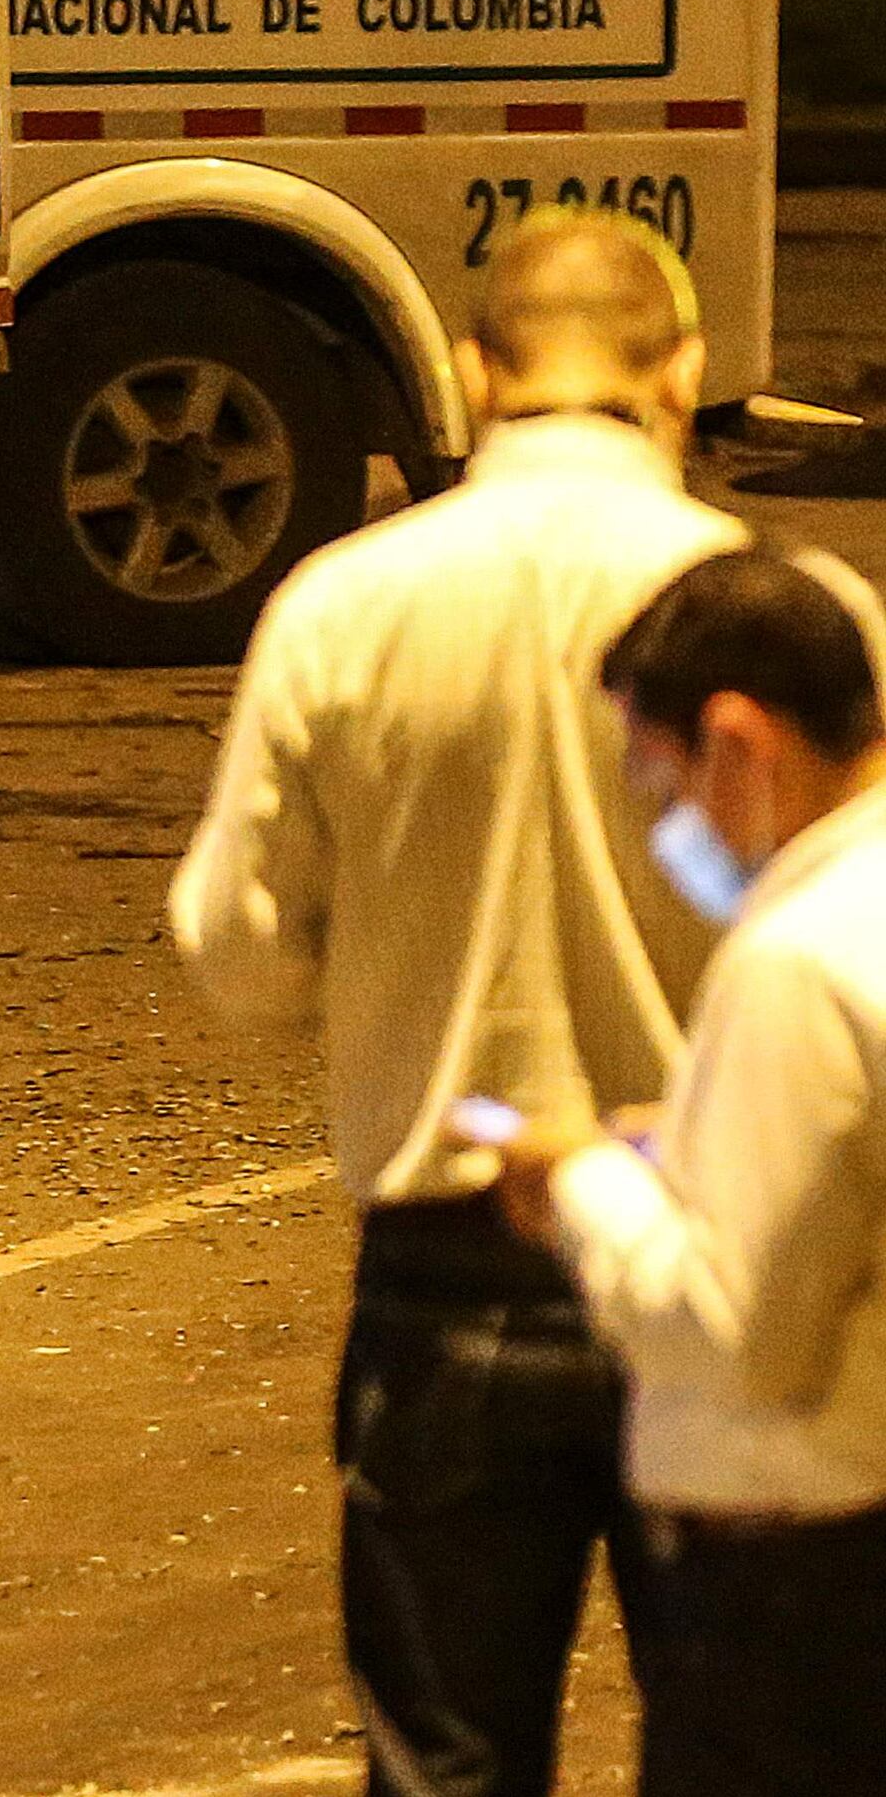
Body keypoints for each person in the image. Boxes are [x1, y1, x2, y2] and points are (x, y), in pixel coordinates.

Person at [172, 210, 737, 1797]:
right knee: (758, 1743)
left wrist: (395, 979)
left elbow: (236, 946)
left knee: (444, 1761)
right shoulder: (776, 607)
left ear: (477, 374)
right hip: (717, 1272)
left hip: (450, 1272)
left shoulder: (343, 606)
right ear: (680, 374)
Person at [471, 549, 886, 1797]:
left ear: (738, 743)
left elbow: (732, 1330)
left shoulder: (794, 962)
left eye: (657, 776)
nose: (662, 820)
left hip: (803, 1596)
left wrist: (582, 1181)